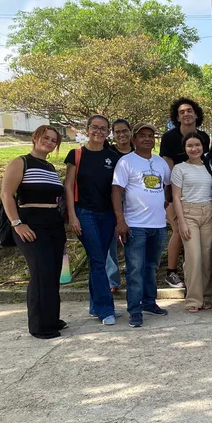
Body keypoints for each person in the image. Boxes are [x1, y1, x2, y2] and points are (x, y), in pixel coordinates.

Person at [0, 124, 66, 339]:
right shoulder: (21, 162)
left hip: (53, 223)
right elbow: (6, 195)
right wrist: (17, 223)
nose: (49, 142)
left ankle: (52, 318)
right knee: (41, 272)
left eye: (54, 140)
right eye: (46, 137)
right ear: (36, 138)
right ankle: (40, 326)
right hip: (31, 223)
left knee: (53, 272)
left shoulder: (49, 167)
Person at [113, 123, 172, 328]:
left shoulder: (161, 163)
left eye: (150, 136)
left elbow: (167, 188)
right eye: (142, 136)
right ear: (134, 139)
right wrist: (120, 220)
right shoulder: (126, 162)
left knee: (151, 266)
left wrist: (161, 206)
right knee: (135, 269)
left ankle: (149, 302)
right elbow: (116, 191)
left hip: (158, 225)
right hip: (135, 225)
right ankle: (135, 310)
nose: (147, 139)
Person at [64, 114, 121, 325]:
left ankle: (94, 305)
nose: (99, 131)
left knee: (99, 259)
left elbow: (117, 189)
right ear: (87, 129)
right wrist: (72, 216)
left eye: (103, 128)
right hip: (84, 213)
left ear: (108, 133)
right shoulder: (76, 155)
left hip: (107, 215)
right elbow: (68, 186)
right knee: (98, 260)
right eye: (94, 127)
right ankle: (106, 309)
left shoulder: (112, 157)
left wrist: (118, 217)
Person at [160, 98, 212, 289]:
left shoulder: (204, 137)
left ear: (196, 114)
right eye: (182, 112)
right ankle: (171, 272)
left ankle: (194, 276)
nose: (186, 114)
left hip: (199, 195)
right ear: (177, 116)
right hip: (174, 191)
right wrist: (175, 197)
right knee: (178, 231)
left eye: (189, 111)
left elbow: (205, 164)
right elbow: (168, 166)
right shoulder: (169, 138)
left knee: (197, 245)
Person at [171, 132, 212, 313]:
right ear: (185, 149)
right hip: (188, 213)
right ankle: (193, 299)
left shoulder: (209, 166)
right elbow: (175, 196)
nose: (194, 149)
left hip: (208, 212)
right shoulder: (179, 168)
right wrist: (181, 222)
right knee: (193, 256)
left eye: (197, 145)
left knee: (206, 257)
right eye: (190, 146)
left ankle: (206, 296)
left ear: (203, 146)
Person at [105, 118, 134, 292]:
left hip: (134, 202)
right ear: (113, 134)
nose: (122, 135)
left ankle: (133, 277)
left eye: (125, 131)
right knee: (111, 241)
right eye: (117, 132)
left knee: (132, 240)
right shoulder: (107, 153)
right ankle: (112, 280)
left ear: (130, 132)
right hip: (111, 200)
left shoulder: (138, 153)